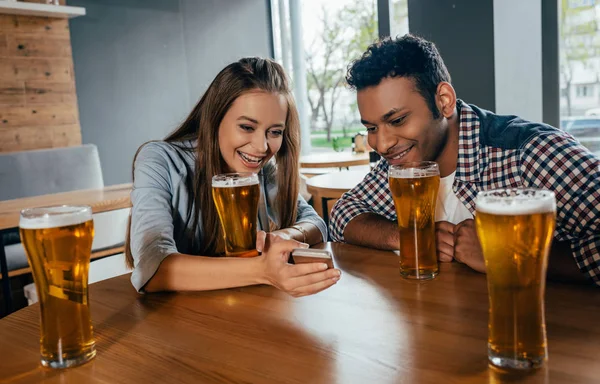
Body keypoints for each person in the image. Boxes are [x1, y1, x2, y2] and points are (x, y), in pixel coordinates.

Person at [329, 35, 600, 285]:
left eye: (398, 120)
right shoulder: (402, 166)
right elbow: (343, 214)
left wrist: (509, 253)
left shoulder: (531, 152)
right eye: (372, 128)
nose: (383, 144)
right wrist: (410, 236)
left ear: (444, 101)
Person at [126, 57, 341, 296]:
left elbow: (316, 223)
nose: (261, 147)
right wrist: (262, 270)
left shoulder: (261, 170)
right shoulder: (159, 159)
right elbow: (153, 269)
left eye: (275, 132)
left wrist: (283, 236)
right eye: (247, 127)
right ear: (214, 118)